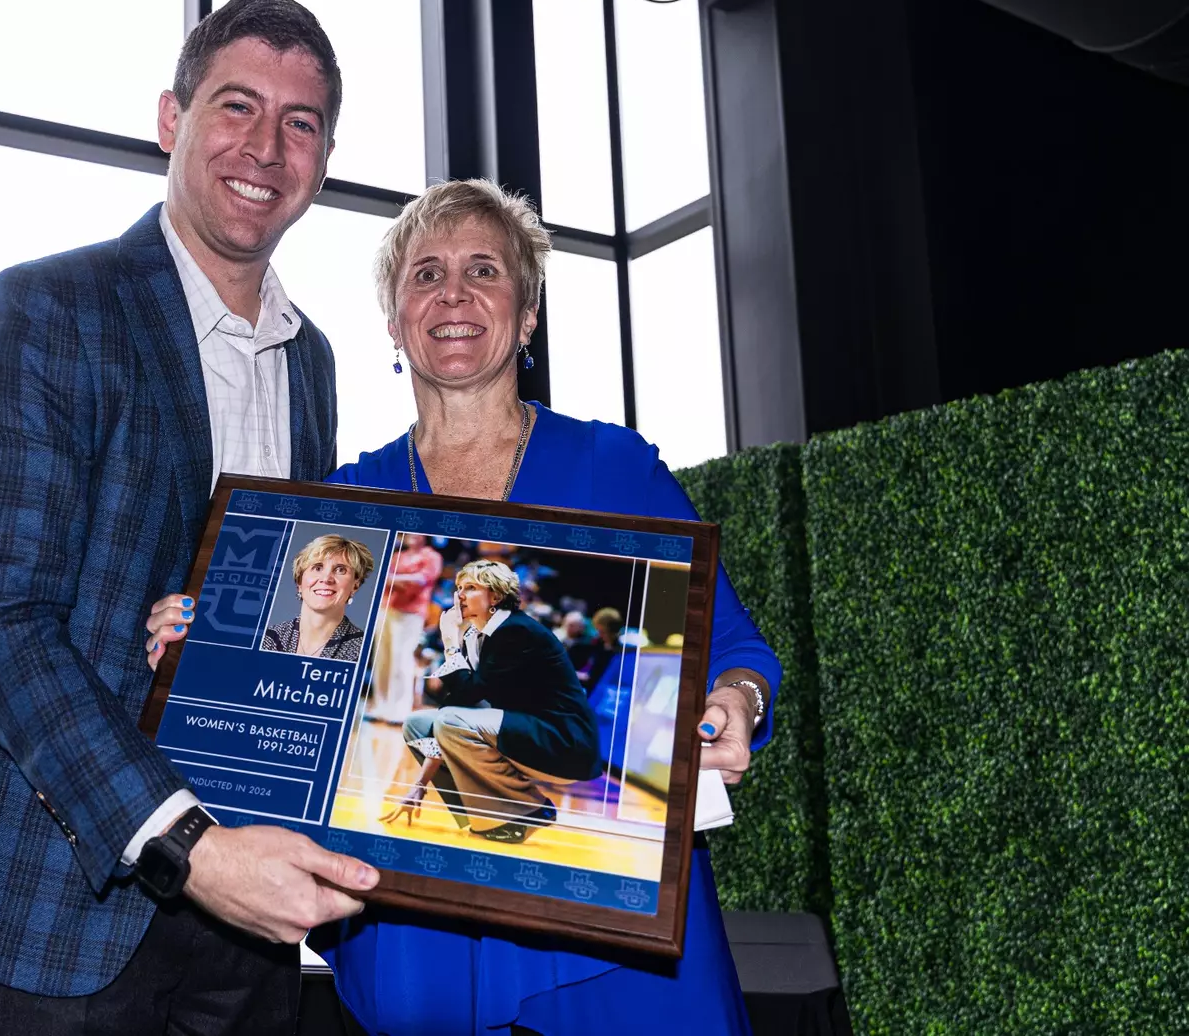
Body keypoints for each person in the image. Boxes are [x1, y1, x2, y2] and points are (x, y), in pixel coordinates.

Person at [148, 177, 780, 1035]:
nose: (453, 293)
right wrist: (195, 654)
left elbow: (737, 651)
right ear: (394, 320)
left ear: (527, 316)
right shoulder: (345, 504)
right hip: (422, 937)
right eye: (426, 274)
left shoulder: (616, 467)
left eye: (484, 270)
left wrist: (738, 700)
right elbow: (291, 692)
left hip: (616, 935)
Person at [0, 0, 380, 1036]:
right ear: (170, 119)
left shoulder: (312, 361)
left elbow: (287, 610)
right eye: (236, 106)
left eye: (300, 122)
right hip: (56, 900)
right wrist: (189, 845)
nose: (265, 146)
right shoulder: (49, 309)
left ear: (324, 160)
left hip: (246, 922)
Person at [383, 559, 600, 843]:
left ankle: (528, 807)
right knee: (418, 724)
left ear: (495, 596)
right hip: (524, 732)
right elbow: (457, 705)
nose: (459, 595)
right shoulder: (477, 635)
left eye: (470, 588)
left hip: (561, 742)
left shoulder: (515, 631)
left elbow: (467, 699)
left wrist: (450, 643)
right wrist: (420, 784)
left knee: (448, 722)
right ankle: (481, 813)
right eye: (459, 587)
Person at [364, 532, 443, 722]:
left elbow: (420, 581)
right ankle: (381, 705)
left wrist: (391, 579)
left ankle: (399, 710)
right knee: (382, 659)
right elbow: (378, 578)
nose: (411, 535)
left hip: (410, 613)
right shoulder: (397, 556)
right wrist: (398, 580)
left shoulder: (431, 556)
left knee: (402, 659)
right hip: (386, 608)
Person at [261, 533, 376, 660]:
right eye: (317, 568)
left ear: (355, 585)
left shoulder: (367, 651)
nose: (326, 579)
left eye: (340, 570)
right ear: (299, 581)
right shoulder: (267, 639)